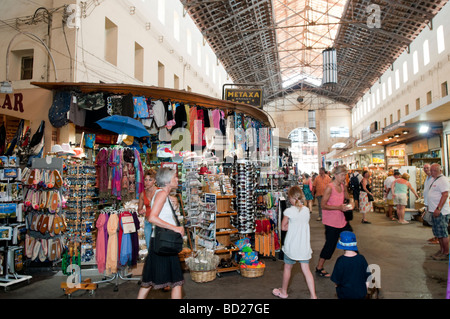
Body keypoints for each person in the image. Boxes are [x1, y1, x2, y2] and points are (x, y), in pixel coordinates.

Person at [137, 168, 185, 299]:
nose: (177, 179)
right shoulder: (162, 194)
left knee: (167, 281)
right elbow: (152, 217)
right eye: (175, 177)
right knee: (175, 281)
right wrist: (175, 228)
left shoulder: (162, 194)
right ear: (168, 181)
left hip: (161, 242)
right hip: (163, 243)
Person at [272, 185, 317, 299]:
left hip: (291, 245)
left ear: (291, 198)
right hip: (304, 245)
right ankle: (313, 296)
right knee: (306, 270)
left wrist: (291, 227)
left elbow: (283, 227)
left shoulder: (288, 211)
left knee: (287, 268)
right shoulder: (306, 210)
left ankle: (284, 292)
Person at [315, 165, 353, 278]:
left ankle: (353, 264)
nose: (343, 177)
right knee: (330, 246)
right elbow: (323, 205)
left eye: (344, 175)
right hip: (331, 222)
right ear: (335, 175)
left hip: (343, 220)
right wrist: (338, 207)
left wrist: (351, 204)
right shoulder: (329, 187)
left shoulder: (343, 185)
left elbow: (348, 198)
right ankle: (319, 267)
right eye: (342, 175)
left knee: (350, 240)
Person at [330, 231, 371, 299]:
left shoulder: (340, 260)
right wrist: (365, 289)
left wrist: (337, 288)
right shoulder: (361, 258)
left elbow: (336, 281)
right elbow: (368, 277)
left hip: (345, 294)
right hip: (360, 293)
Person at [428, 163, 449, 261]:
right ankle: (441, 250)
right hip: (434, 211)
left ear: (440, 170)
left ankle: (446, 252)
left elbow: (445, 195)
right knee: (438, 233)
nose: (432, 172)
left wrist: (438, 208)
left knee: (443, 232)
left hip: (441, 212)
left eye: (434, 170)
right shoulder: (434, 179)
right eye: (431, 170)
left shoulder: (443, 180)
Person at [138, 169, 158, 250]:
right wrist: (141, 211)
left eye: (150, 180)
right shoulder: (143, 194)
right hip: (147, 222)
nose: (147, 182)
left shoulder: (159, 192)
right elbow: (139, 209)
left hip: (158, 222)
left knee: (158, 245)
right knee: (149, 246)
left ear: (154, 181)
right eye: (146, 180)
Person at [422, 164, 438, 243]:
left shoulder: (434, 178)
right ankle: (435, 236)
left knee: (436, 221)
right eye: (424, 168)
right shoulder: (427, 178)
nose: (426, 169)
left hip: (433, 203)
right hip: (427, 202)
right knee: (431, 221)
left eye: (427, 168)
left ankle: (438, 238)